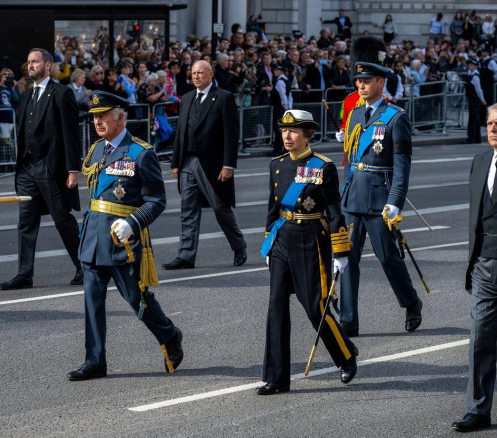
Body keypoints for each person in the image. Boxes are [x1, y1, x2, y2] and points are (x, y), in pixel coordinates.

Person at [67, 91, 183, 380]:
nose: (97, 121)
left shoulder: (140, 153)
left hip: (122, 241)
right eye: (94, 117)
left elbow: (156, 200)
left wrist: (133, 222)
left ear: (119, 117)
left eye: (103, 116)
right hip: (94, 237)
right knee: (92, 302)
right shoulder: (96, 150)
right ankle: (94, 360)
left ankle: (169, 335)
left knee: (137, 299)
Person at [257, 110, 357, 395]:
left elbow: (335, 211)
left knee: (316, 306)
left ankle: (346, 355)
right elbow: (272, 208)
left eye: (294, 131)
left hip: (311, 240)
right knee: (276, 307)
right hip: (282, 239)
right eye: (284, 131)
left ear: (307, 135)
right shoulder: (276, 165)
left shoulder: (322, 167)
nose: (287, 136)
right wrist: (268, 243)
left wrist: (341, 251)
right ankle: (277, 377)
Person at [338, 61, 423, 337]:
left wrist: (396, 200)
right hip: (353, 198)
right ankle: (349, 319)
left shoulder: (396, 117)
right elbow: (352, 160)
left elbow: (402, 164)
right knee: (347, 257)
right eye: (358, 81)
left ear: (381, 82)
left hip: (379, 198)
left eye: (366, 80)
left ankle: (411, 302)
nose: (360, 86)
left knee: (388, 256)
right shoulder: (354, 115)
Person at [0, 48, 83, 290]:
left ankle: (84, 266)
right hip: (27, 168)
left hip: (50, 168)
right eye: (28, 62)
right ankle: (24, 274)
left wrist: (73, 169)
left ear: (47, 65)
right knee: (25, 221)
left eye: (35, 61)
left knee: (62, 219)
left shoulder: (61, 94)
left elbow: (70, 133)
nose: (30, 65)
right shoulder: (25, 96)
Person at [163, 60, 247, 270]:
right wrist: (175, 162)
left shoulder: (223, 98)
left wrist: (228, 165)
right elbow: (180, 132)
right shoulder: (188, 98)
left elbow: (231, 134)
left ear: (211, 74)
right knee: (188, 209)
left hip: (213, 163)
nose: (196, 76)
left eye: (200, 73)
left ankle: (239, 246)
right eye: (193, 73)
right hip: (187, 161)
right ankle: (186, 255)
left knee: (220, 207)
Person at [451, 104, 497, 433]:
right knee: (480, 338)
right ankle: (478, 410)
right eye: (490, 123)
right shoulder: (480, 161)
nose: (493, 128)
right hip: (485, 265)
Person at [466, 59, 487, 144]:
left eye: (471, 65)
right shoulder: (471, 74)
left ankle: (471, 138)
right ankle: (477, 138)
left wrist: (482, 99)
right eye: (469, 65)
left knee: (473, 119)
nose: (469, 67)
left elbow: (478, 90)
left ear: (476, 66)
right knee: (476, 119)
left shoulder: (475, 76)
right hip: (473, 99)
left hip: (475, 100)